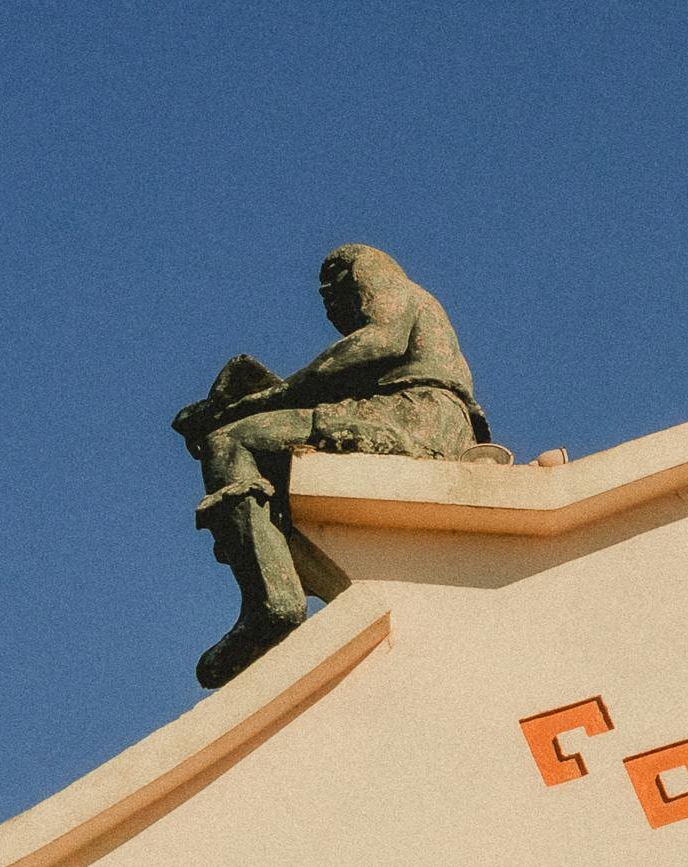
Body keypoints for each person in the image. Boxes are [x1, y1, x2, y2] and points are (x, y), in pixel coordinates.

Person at [174, 246, 492, 688]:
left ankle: (270, 603)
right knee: (254, 449)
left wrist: (273, 397)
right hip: (424, 419)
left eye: (333, 296)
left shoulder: (366, 267)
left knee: (230, 441)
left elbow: (381, 340)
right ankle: (275, 572)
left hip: (413, 415)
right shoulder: (412, 322)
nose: (332, 308)